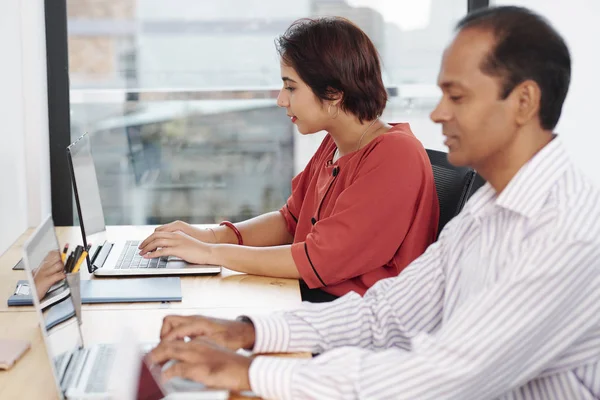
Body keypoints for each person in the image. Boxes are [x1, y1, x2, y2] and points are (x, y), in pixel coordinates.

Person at [146, 6, 600, 399]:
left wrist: (249, 369)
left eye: (456, 96)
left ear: (523, 102)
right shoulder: (488, 212)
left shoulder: (568, 232)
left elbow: (446, 376)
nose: (439, 113)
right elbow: (387, 313)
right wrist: (247, 331)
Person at [138, 17, 439, 302]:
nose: (282, 99)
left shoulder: (395, 156)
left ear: (333, 92)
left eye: (291, 87)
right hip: (313, 302)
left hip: (356, 326)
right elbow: (289, 221)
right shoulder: (335, 144)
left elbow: (317, 258)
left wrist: (209, 254)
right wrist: (210, 237)